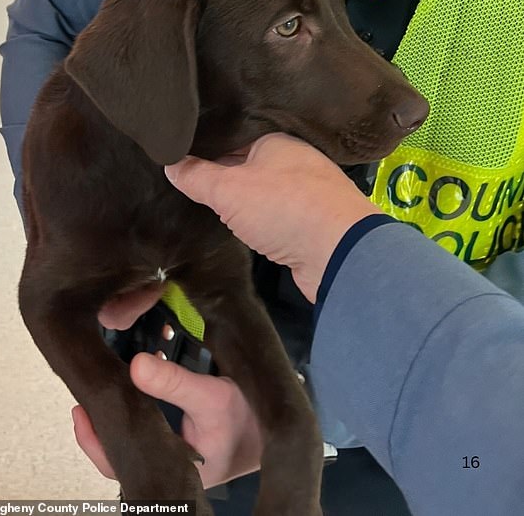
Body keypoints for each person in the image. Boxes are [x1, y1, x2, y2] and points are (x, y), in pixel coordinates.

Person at [0, 0, 524, 512]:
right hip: (191, 411)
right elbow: (56, 30)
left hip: (468, 451)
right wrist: (78, 235)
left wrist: (324, 406)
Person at [70, 132, 524, 516]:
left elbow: (500, 471)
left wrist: (298, 400)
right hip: (172, 380)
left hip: (390, 456)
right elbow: (53, 34)